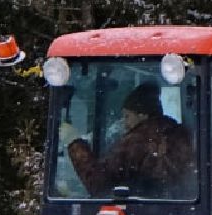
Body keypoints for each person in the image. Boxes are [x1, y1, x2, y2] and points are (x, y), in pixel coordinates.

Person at [63, 82, 194, 196]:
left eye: (127, 116)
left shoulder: (138, 141)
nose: (125, 124)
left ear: (143, 115)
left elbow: (99, 184)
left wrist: (74, 143)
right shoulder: (183, 135)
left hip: (142, 211)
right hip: (178, 211)